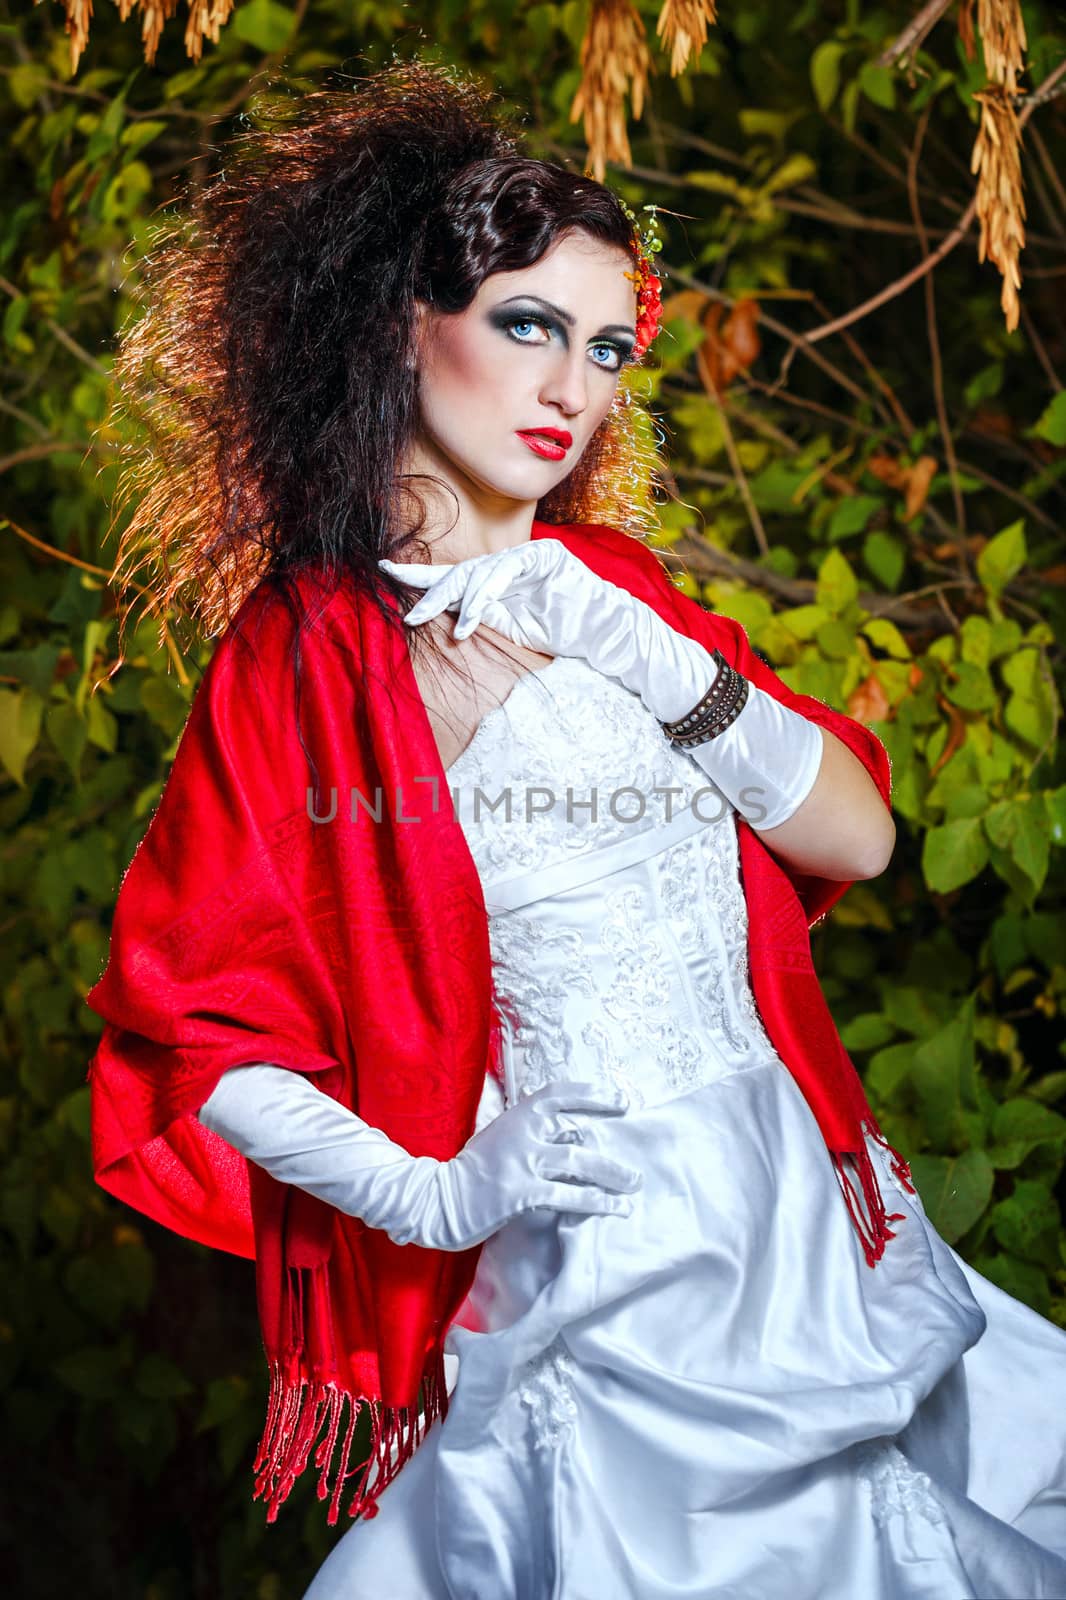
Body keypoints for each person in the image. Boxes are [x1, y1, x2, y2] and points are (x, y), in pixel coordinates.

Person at [85, 58, 1066, 1600]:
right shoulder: (308, 652)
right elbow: (192, 1031)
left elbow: (858, 841)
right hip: (601, 1259)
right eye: (527, 326)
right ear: (403, 323)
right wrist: (433, 1192)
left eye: (605, 348)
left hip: (805, 1198)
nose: (572, 389)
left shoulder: (619, 584)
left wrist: (650, 657)